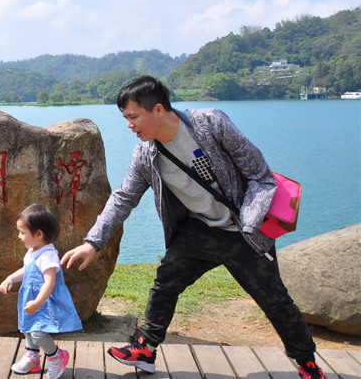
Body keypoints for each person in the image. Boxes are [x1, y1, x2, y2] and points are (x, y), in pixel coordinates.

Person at [61, 75, 326, 379]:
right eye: (125, 118)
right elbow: (123, 198)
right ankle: (146, 348)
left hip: (244, 230)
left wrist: (249, 225)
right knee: (166, 282)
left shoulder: (210, 125)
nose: (129, 125)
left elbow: (260, 175)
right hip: (199, 231)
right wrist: (93, 242)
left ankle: (307, 362)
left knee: (274, 300)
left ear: (158, 110)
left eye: (133, 117)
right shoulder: (146, 155)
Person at [0, 203, 82, 379]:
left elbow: (50, 282)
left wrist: (38, 302)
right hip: (31, 297)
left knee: (38, 332)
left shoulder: (47, 256)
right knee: (28, 327)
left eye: (22, 232)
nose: (19, 236)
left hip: (45, 300)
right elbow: (27, 270)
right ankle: (33, 357)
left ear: (38, 234)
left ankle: (56, 356)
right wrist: (10, 279)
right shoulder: (33, 251)